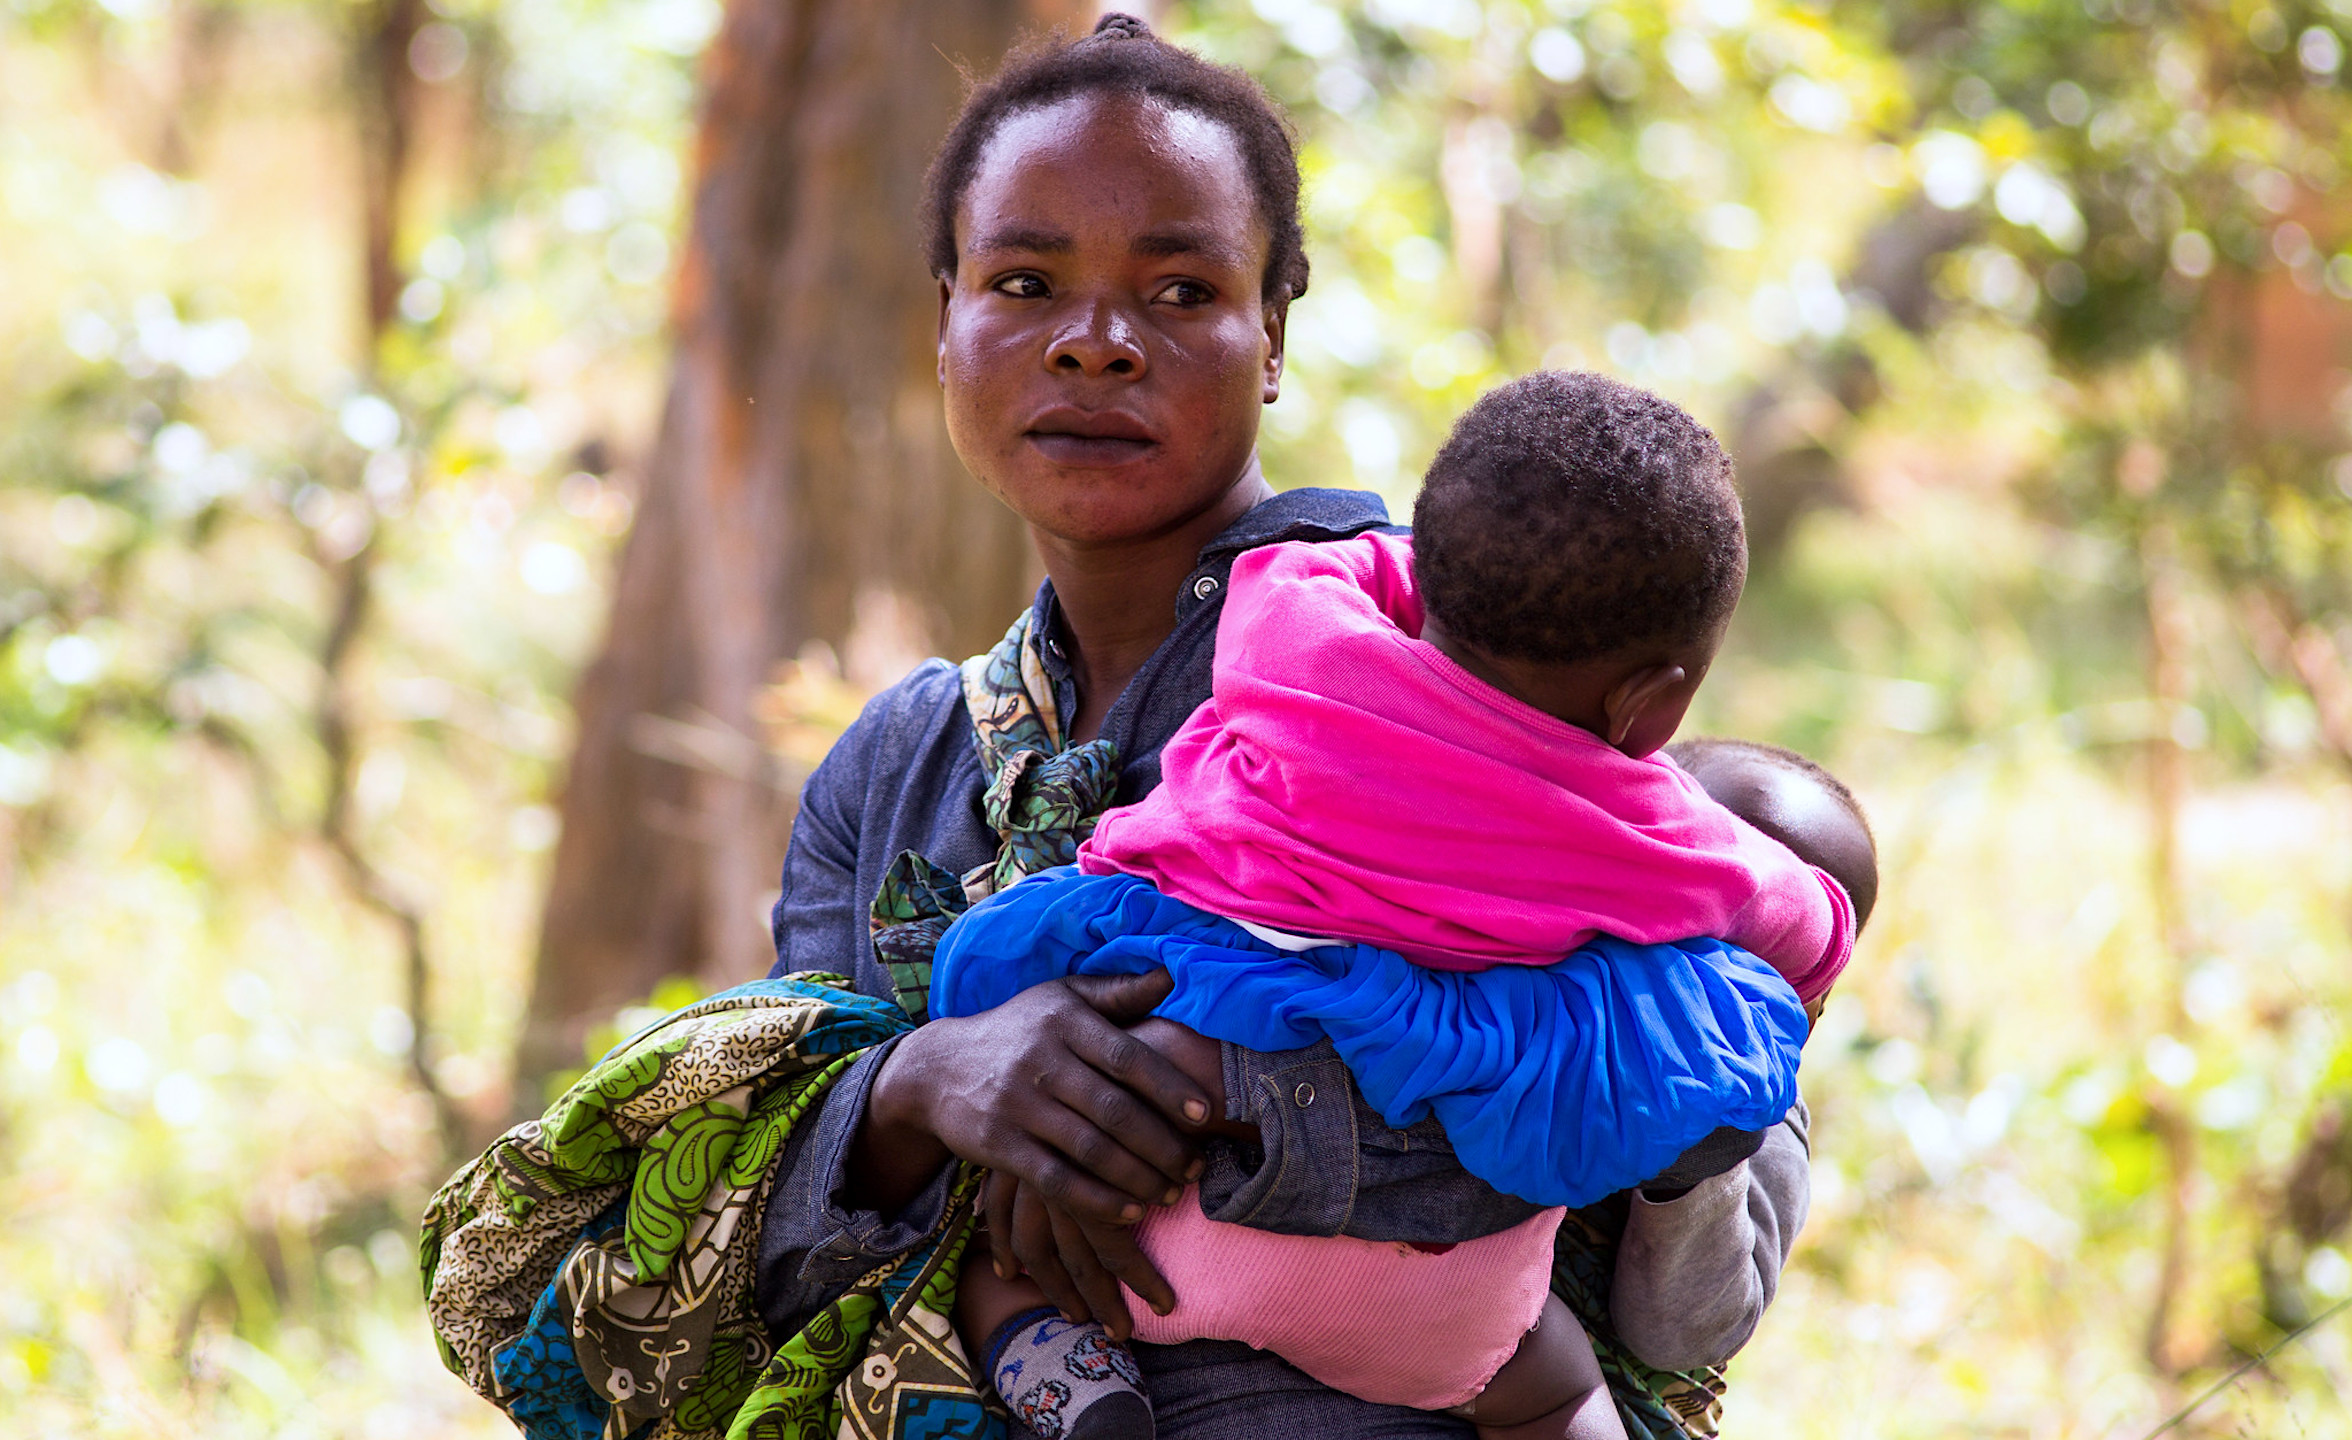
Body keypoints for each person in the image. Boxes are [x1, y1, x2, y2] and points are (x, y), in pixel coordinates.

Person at [752, 16, 1820, 1438]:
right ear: (944, 317)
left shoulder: (1454, 675)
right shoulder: (900, 766)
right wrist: (929, 1081)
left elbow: (1680, 1147)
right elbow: (763, 1234)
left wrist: (1177, 1105)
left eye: (1182, 290)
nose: (1095, 344)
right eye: (1024, 281)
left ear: (1273, 337)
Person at [926, 373, 1851, 1440]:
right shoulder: (1642, 835)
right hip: (1439, 1294)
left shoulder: (1295, 638)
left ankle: (1077, 1386)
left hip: (1151, 1225)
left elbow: (1306, 564)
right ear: (1652, 701)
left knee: (992, 1239)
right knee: (1551, 1383)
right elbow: (1800, 925)